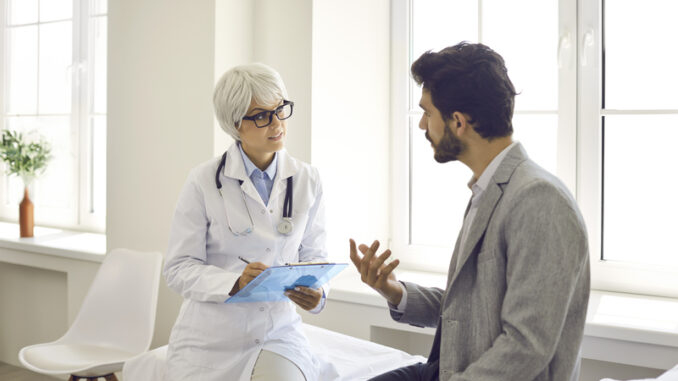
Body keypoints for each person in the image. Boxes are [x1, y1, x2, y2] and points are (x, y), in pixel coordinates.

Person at [350, 42, 590, 380]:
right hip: (446, 369)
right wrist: (395, 292)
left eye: (428, 113)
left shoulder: (539, 201)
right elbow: (473, 308)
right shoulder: (489, 188)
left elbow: (527, 346)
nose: (422, 125)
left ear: (459, 121)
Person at [163, 63, 336, 381]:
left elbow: (314, 256)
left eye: (280, 109)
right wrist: (235, 282)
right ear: (234, 124)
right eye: (261, 116)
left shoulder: (307, 180)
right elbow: (178, 269)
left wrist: (318, 291)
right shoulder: (203, 181)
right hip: (210, 339)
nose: (277, 123)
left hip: (277, 333)